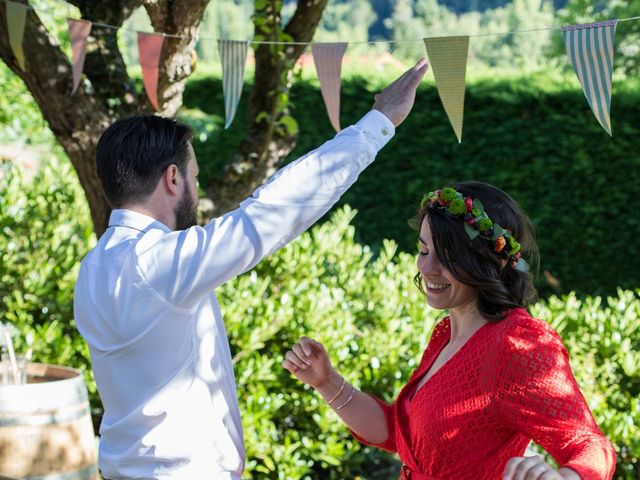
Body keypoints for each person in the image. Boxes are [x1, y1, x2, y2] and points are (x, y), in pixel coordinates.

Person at [72, 59, 428, 479]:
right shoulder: (159, 265)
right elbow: (274, 212)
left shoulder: (93, 268)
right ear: (172, 179)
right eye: (194, 177)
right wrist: (379, 122)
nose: (196, 188)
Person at [283, 181, 616, 480]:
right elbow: (399, 436)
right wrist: (326, 382)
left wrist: (567, 477)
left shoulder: (518, 342)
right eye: (424, 250)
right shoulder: (446, 334)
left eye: (447, 256)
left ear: (492, 259)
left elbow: (590, 444)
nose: (427, 268)